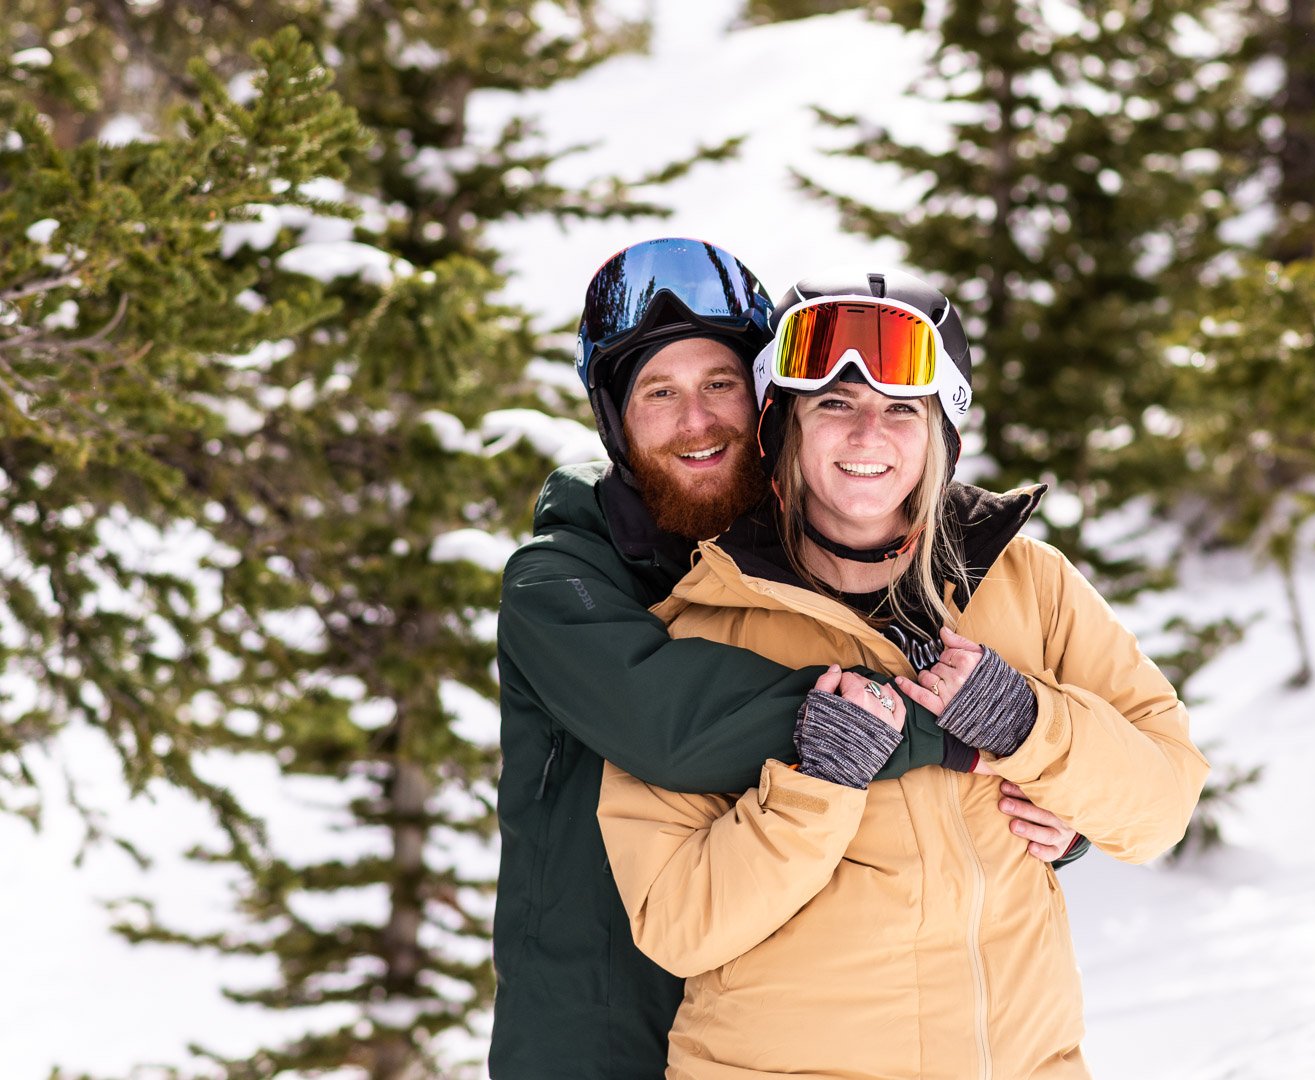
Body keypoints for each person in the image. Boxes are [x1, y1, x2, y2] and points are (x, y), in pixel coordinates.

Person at [490, 240, 1084, 1078]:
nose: (696, 421)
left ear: (771, 401)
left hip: (758, 1034)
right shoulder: (561, 581)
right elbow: (671, 722)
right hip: (599, 1030)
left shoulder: (805, 561)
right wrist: (967, 735)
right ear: (613, 418)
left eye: (720, 385)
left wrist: (1054, 797)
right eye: (659, 392)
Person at [597, 269, 1210, 1079]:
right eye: (834, 407)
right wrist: (818, 786)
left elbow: (1164, 802)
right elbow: (675, 923)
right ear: (785, 427)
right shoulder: (701, 629)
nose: (867, 437)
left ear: (939, 436)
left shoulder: (1028, 583)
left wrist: (1030, 725)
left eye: (900, 410)